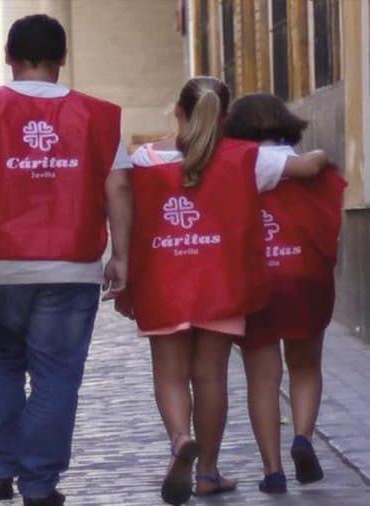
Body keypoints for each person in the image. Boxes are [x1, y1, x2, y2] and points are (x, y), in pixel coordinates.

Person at [0, 15, 132, 506]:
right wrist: (121, 254)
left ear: (8, 57)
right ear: (62, 58)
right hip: (71, 264)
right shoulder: (99, 116)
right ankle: (39, 483)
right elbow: (119, 186)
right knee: (56, 374)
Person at [124, 77, 328, 505]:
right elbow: (308, 168)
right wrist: (321, 154)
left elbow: (127, 209)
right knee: (210, 376)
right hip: (221, 280)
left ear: (178, 112)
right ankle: (207, 472)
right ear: (224, 118)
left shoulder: (144, 158)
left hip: (163, 279)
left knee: (169, 375)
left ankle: (180, 439)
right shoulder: (247, 158)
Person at [223, 93, 345, 494]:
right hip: (304, 275)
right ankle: (303, 438)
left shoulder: (233, 165)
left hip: (255, 280)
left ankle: (272, 470)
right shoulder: (299, 162)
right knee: (305, 366)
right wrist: (323, 156)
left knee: (262, 378)